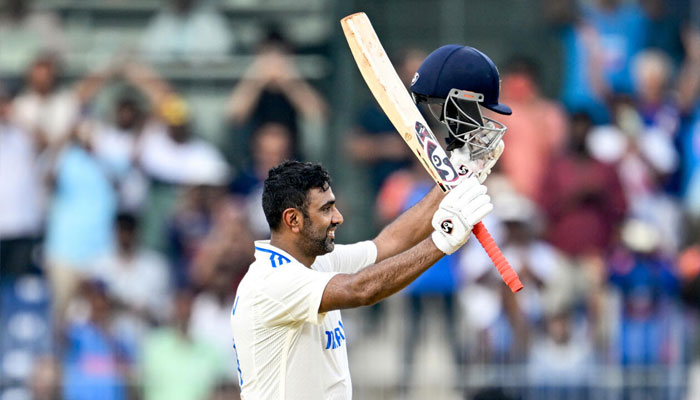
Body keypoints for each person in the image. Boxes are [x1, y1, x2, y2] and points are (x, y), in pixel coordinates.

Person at [231, 44, 512, 399]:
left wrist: (454, 180)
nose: (339, 217)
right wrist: (442, 240)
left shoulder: (315, 263)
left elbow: (388, 244)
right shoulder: (271, 282)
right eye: (326, 209)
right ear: (293, 220)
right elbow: (362, 290)